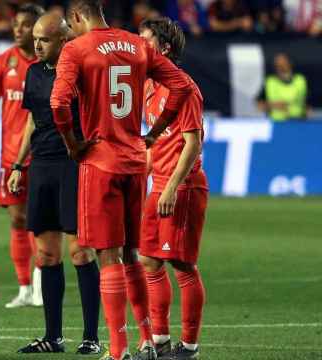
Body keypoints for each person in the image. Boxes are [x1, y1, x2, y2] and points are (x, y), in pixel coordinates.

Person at [50, 0, 195, 359]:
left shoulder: (76, 48)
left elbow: (58, 104)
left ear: (77, 17)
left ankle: (118, 350)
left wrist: (72, 145)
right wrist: (155, 132)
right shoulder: (137, 44)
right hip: (135, 163)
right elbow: (180, 86)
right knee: (132, 254)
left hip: (100, 162)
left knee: (108, 255)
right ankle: (147, 339)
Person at [8, 12, 101, 355]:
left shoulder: (85, 70)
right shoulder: (33, 73)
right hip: (42, 166)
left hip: (75, 165)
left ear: (64, 40)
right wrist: (20, 165)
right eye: (35, 38)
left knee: (80, 252)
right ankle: (53, 337)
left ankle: (91, 337)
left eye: (44, 39)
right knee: (47, 255)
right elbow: (33, 123)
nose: (37, 45)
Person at [139, 18, 208, 360]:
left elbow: (192, 143)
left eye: (145, 40)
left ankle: (189, 347)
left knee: (182, 265)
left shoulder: (185, 88)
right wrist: (143, 177)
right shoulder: (149, 87)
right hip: (159, 186)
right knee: (149, 261)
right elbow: (156, 143)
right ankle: (161, 343)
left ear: (163, 48)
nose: (138, 46)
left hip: (182, 187)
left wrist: (172, 188)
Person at [0, 3, 44, 309]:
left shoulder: (51, 64)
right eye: (16, 24)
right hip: (10, 157)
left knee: (42, 222)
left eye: (26, 25)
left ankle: (43, 282)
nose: (19, 30)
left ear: (39, 28)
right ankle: (25, 287)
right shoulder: (2, 63)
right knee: (18, 219)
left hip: (44, 153)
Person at [256, 52, 310, 121]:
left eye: (283, 63)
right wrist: (273, 105)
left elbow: (309, 104)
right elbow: (259, 105)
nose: (280, 66)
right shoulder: (270, 82)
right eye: (277, 64)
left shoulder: (300, 80)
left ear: (289, 63)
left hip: (298, 122)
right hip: (277, 123)